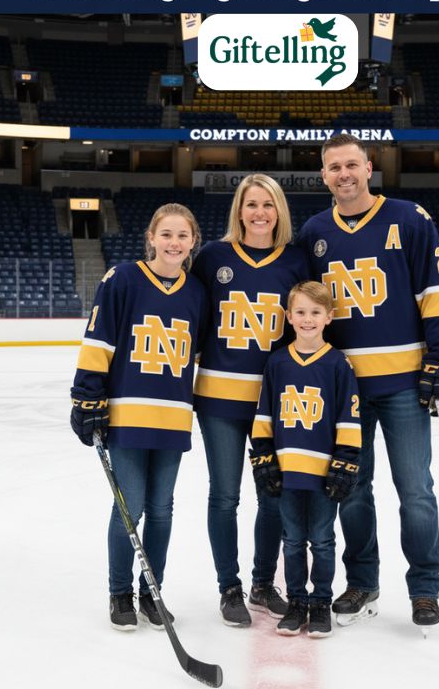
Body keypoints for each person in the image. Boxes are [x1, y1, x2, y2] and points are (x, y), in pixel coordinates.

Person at [296, 133, 439, 630]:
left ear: (369, 167)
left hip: (405, 386)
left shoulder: (410, 219)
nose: (343, 174)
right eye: (333, 168)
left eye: (351, 164)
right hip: (345, 389)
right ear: (323, 175)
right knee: (353, 489)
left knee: (416, 491)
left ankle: (424, 589)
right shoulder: (313, 232)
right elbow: (304, 309)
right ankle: (363, 581)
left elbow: (436, 292)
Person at [69, 203, 207, 632]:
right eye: (166, 234)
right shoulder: (123, 279)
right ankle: (119, 593)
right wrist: (87, 396)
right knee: (129, 508)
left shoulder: (197, 291)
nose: (174, 243)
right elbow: (99, 341)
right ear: (150, 237)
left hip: (173, 417)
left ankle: (152, 593)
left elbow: (197, 354)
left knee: (161, 509)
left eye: (182, 236)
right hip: (128, 416)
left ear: (192, 242)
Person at [192, 174, 309, 626]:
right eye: (251, 204)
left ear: (279, 211)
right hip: (219, 396)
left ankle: (263, 583)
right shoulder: (212, 257)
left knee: (273, 497)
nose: (259, 212)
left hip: (273, 402)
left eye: (268, 204)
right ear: (238, 210)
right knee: (224, 495)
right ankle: (230, 587)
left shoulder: (297, 261)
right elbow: (190, 318)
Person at [249, 281, 361, 638]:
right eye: (300, 312)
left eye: (315, 312)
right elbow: (264, 413)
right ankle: (297, 602)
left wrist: (344, 462)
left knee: (323, 540)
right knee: (293, 540)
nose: (307, 319)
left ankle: (320, 602)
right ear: (288, 316)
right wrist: (263, 456)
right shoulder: (277, 362)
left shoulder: (338, 365)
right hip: (287, 471)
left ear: (329, 317)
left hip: (324, 472)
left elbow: (349, 417)